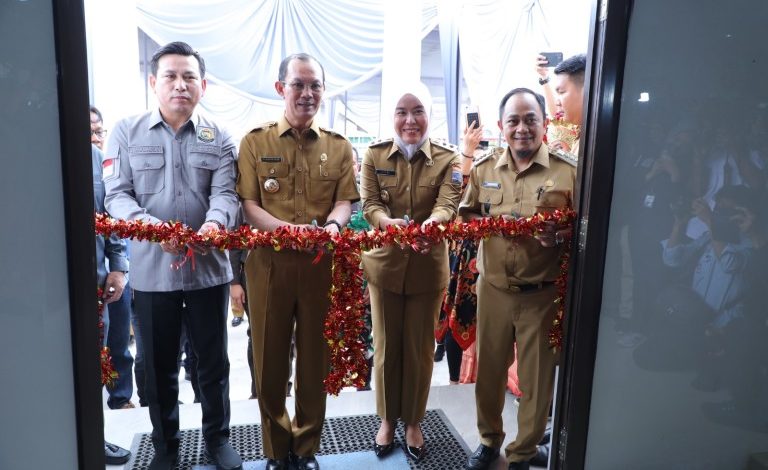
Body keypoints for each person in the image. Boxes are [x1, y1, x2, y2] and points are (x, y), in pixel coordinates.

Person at [104, 41, 241, 470]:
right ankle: (166, 447)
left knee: (213, 364)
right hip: (151, 273)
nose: (180, 85)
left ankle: (217, 441)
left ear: (203, 84)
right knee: (156, 367)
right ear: (153, 82)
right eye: (170, 76)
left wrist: (215, 224)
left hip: (207, 272)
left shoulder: (219, 136)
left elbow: (226, 194)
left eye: (189, 77)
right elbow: (116, 195)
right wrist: (152, 228)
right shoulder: (126, 131)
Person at [236, 52, 359, 470]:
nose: (307, 94)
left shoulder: (339, 147)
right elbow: (249, 205)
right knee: (268, 361)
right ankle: (276, 449)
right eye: (298, 85)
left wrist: (334, 228)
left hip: (318, 265)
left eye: (315, 86)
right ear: (280, 89)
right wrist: (287, 232)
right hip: (268, 265)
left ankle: (306, 448)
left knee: (314, 360)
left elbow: (344, 201)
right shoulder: (255, 141)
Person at [461, 88, 576, 470]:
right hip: (493, 290)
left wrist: (559, 235)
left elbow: (586, 228)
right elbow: (467, 218)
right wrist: (492, 226)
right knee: (489, 375)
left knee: (536, 381)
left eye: (530, 120)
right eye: (514, 121)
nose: (522, 129)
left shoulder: (570, 172)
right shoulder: (484, 169)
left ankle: (522, 453)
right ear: (501, 127)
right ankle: (489, 441)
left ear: (545, 124)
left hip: (542, 296)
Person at [360, 83, 462, 462]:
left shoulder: (449, 159)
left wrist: (429, 227)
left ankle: (414, 422)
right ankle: (387, 420)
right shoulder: (373, 155)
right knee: (387, 348)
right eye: (402, 111)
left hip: (426, 266)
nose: (410, 120)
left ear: (428, 115)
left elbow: (448, 204)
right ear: (392, 117)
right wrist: (389, 223)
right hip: (385, 265)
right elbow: (369, 203)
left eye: (417, 110)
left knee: (420, 350)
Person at [91, 105, 137, 411]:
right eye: (88, 130)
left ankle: (120, 399)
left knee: (119, 342)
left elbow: (113, 219)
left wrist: (119, 268)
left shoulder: (100, 163)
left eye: (97, 130)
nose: (94, 137)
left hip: (107, 273)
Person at [435, 120, 485, 384]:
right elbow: (457, 188)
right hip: (462, 258)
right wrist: (467, 152)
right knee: (457, 315)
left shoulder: (492, 168)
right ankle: (455, 380)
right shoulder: (457, 167)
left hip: (488, 255)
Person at [92, 141, 131, 465]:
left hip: (92, 283)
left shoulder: (91, 157)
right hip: (26, 289)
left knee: (92, 364)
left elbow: (109, 217)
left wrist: (117, 266)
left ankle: (92, 438)